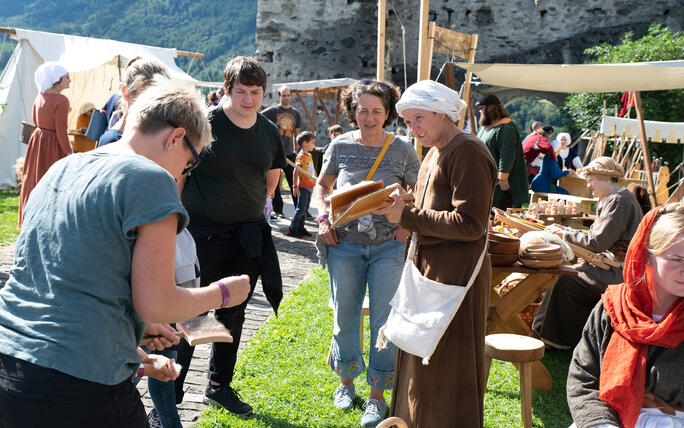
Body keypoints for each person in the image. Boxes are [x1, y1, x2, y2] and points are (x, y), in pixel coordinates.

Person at [0, 78, 250, 427]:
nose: (183, 173)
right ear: (175, 137)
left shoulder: (62, 168)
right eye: (189, 163)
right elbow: (158, 302)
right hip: (81, 382)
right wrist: (224, 293)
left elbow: (58, 281)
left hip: (10, 359)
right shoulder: (149, 178)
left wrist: (130, 332)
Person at [376, 80, 497, 428]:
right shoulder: (435, 151)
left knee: (445, 367)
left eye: (419, 118)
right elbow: (436, 200)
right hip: (432, 271)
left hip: (455, 276)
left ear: (444, 114)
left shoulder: (468, 150)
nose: (413, 128)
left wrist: (408, 215)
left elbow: (470, 223)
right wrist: (406, 198)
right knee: (421, 358)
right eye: (408, 122)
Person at [181, 56, 286, 417]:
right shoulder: (204, 125)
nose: (248, 100)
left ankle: (218, 386)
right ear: (226, 90)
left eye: (255, 92)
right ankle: (171, 395)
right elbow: (180, 174)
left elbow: (272, 178)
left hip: (247, 236)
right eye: (240, 91)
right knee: (191, 312)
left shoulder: (270, 131)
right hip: (202, 234)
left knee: (233, 314)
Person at [313, 79, 420, 427]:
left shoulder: (403, 149)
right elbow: (322, 187)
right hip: (343, 244)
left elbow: (420, 192)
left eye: (376, 111)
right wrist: (323, 219)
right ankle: (346, 382)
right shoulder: (339, 146)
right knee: (345, 315)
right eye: (362, 110)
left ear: (387, 113)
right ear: (352, 111)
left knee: (384, 321)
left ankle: (377, 395)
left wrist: (408, 222)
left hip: (389, 245)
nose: (369, 117)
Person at [567, 203, 684, 428]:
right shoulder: (613, 308)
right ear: (648, 255)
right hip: (608, 420)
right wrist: (600, 424)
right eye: (676, 259)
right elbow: (583, 377)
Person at [532, 156, 643, 349]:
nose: (589, 185)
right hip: (611, 265)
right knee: (567, 272)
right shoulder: (615, 199)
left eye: (591, 180)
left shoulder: (619, 201)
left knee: (565, 278)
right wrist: (565, 231)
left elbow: (597, 242)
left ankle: (551, 339)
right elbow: (597, 237)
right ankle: (550, 335)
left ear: (603, 177)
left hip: (620, 272)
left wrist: (565, 234)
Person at [19, 62, 73, 226]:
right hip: (52, 145)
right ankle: (48, 222)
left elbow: (36, 121)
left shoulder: (40, 96)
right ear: (56, 79)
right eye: (67, 78)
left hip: (37, 142)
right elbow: (61, 131)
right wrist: (70, 154)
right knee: (51, 181)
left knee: (34, 179)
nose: (70, 81)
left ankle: (30, 219)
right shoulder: (61, 100)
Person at [98, 58, 170, 147]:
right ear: (127, 93)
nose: (156, 105)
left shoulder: (163, 138)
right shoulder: (113, 141)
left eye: (162, 98)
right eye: (148, 96)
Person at [476, 94, 528, 209]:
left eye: (482, 109)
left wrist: (503, 177)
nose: (480, 112)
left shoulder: (506, 128)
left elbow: (507, 153)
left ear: (491, 109)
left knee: (498, 215)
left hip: (502, 185)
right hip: (486, 180)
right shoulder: (485, 128)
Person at [262, 85, 303, 218]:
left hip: (289, 152)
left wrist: (297, 150)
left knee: (294, 181)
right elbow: (258, 118)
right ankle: (278, 210)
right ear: (279, 96)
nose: (286, 97)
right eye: (283, 95)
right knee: (275, 182)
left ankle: (300, 210)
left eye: (288, 95)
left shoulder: (295, 113)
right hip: (275, 152)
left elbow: (297, 134)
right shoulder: (272, 111)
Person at [287, 131, 317, 238]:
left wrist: (316, 178)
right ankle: (292, 228)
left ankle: (301, 227)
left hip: (309, 186)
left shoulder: (309, 155)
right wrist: (295, 186)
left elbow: (312, 169)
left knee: (305, 209)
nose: (314, 145)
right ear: (305, 143)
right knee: (300, 209)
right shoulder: (301, 156)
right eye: (312, 142)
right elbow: (296, 171)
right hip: (303, 186)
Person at [530, 128, 571, 194]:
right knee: (565, 193)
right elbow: (555, 175)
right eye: (559, 149)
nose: (560, 150)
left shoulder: (548, 157)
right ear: (557, 149)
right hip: (542, 185)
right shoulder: (551, 159)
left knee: (559, 190)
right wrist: (567, 172)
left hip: (539, 183)